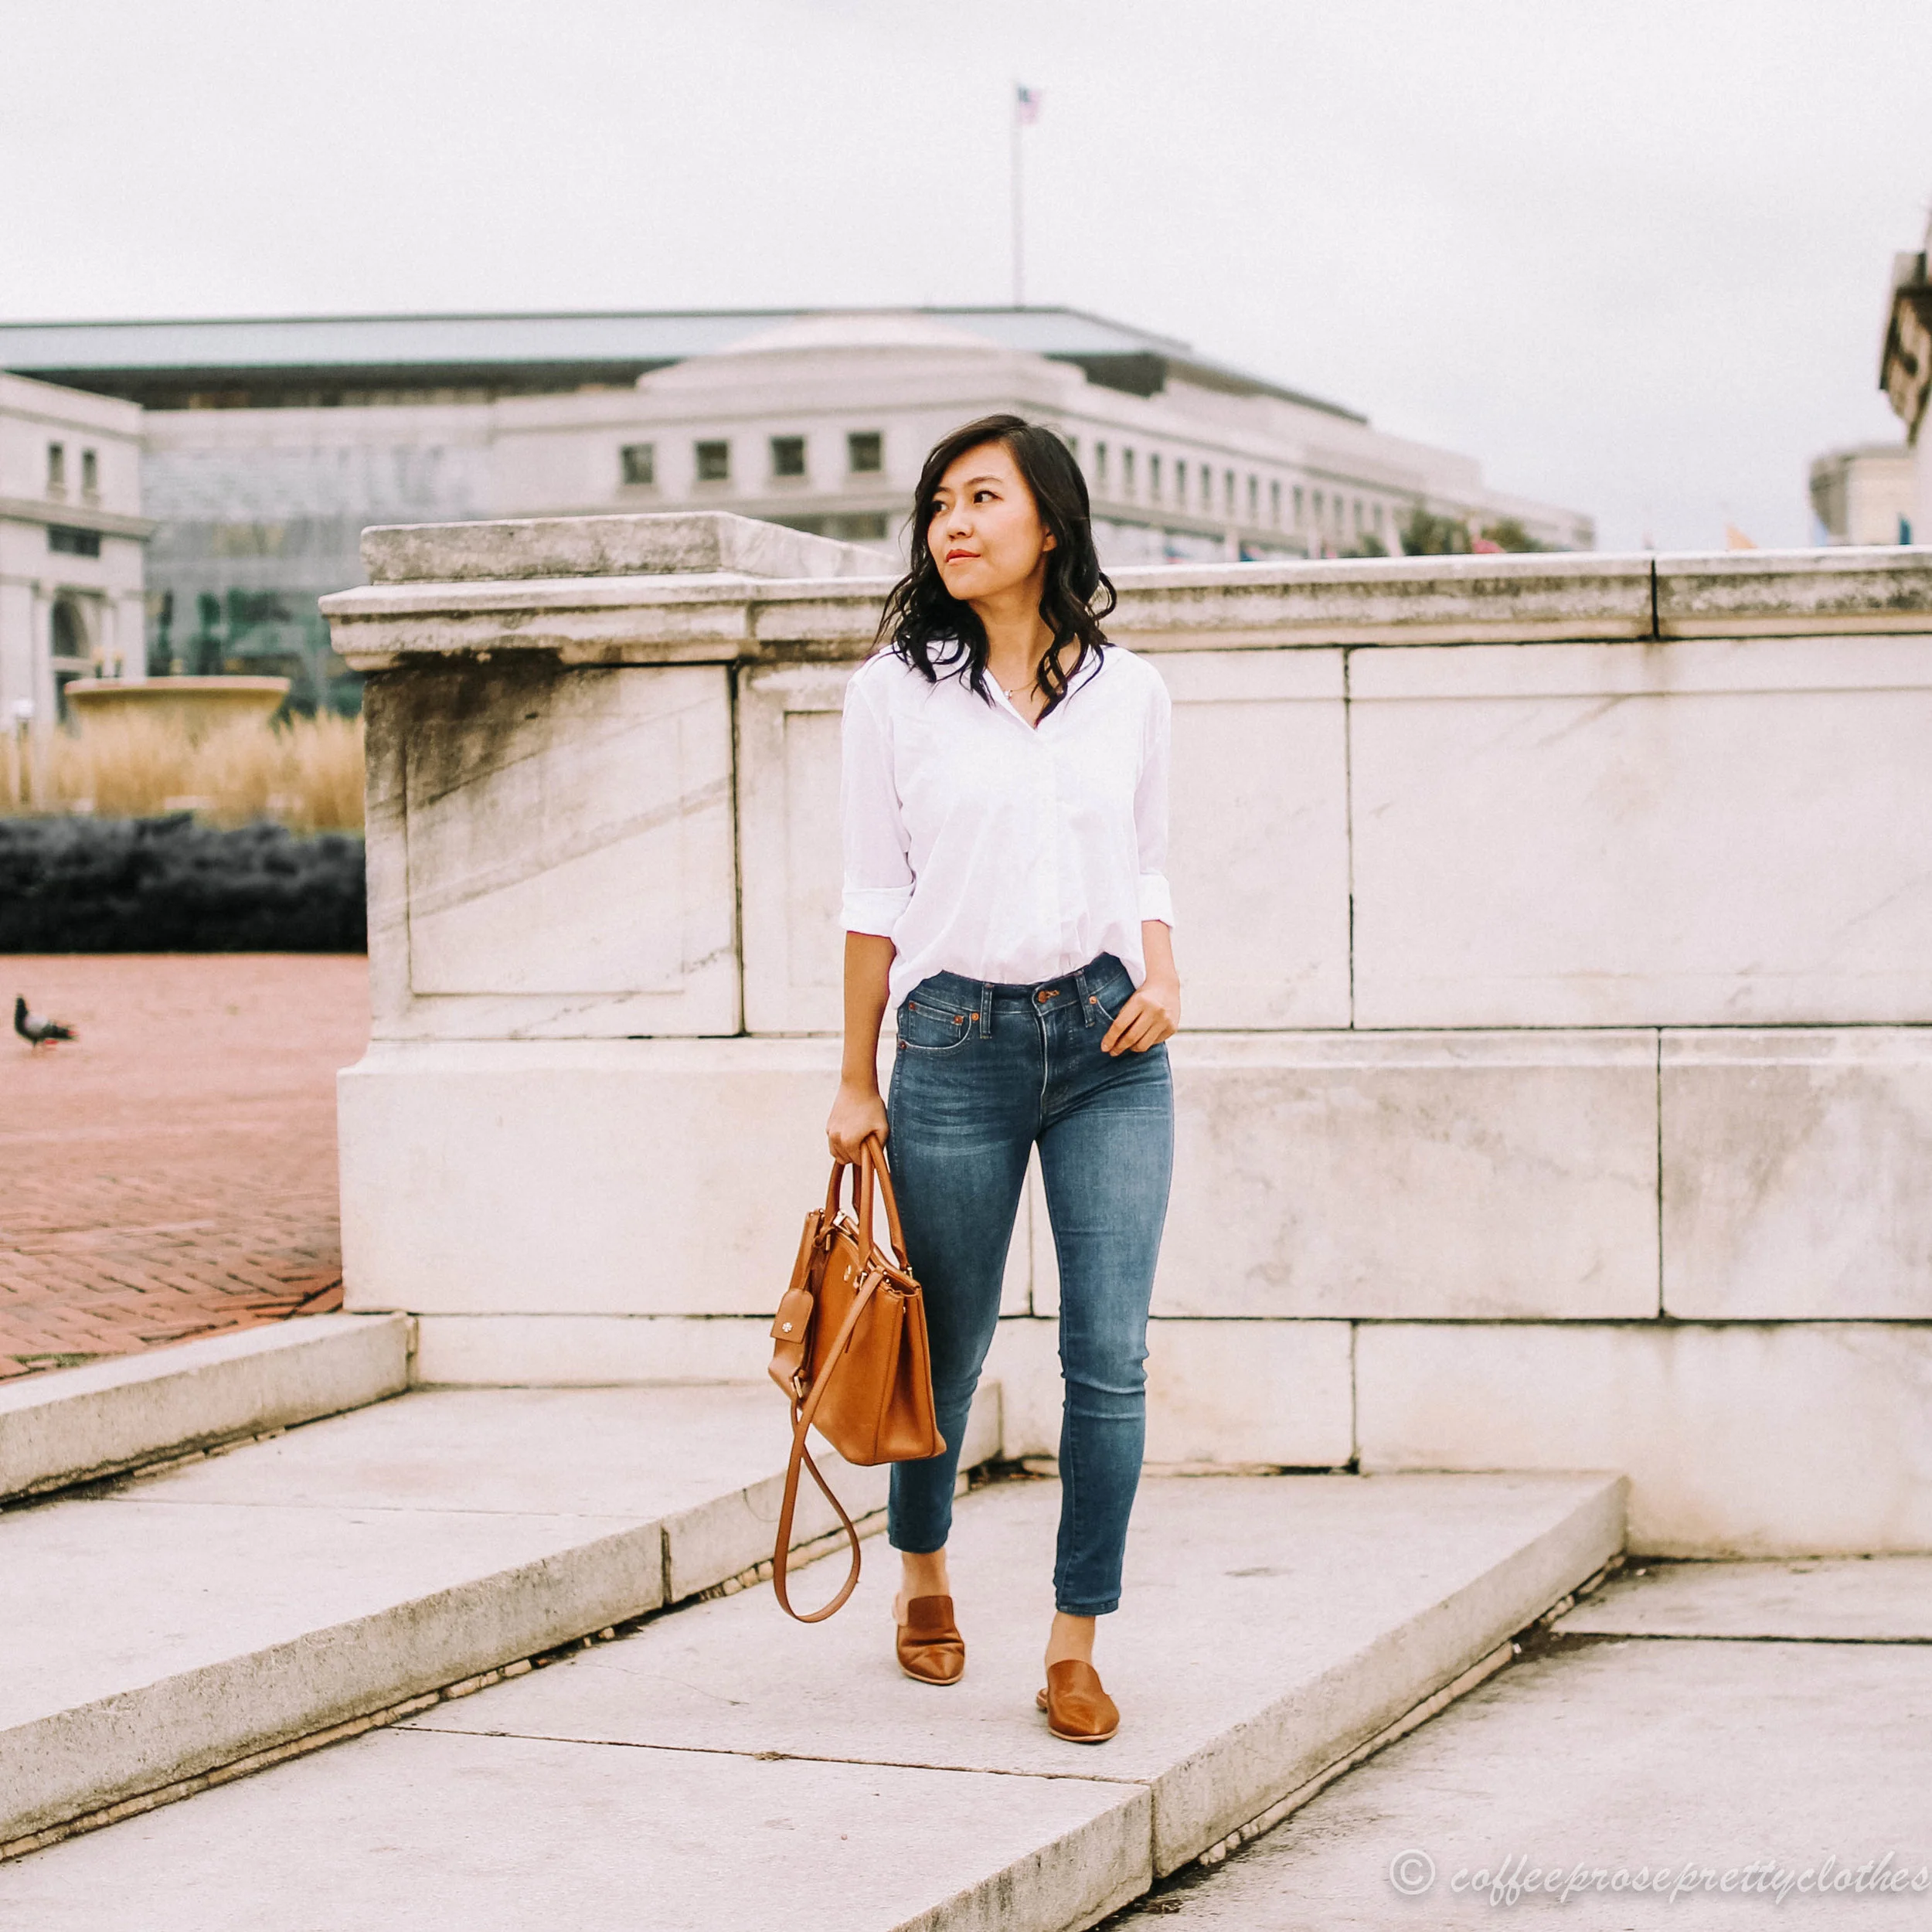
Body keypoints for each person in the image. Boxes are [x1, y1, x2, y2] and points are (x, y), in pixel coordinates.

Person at [826, 412, 1179, 1746]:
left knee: (1111, 1358)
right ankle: (922, 1571)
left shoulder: (1132, 693)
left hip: (1109, 1048)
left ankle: (1075, 1640)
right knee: (949, 1349)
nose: (953, 526)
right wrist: (854, 1081)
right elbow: (873, 893)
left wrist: (1166, 970)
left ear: (1050, 522)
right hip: (953, 1050)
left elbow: (1148, 863)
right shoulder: (893, 693)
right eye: (939, 506)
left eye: (982, 499)